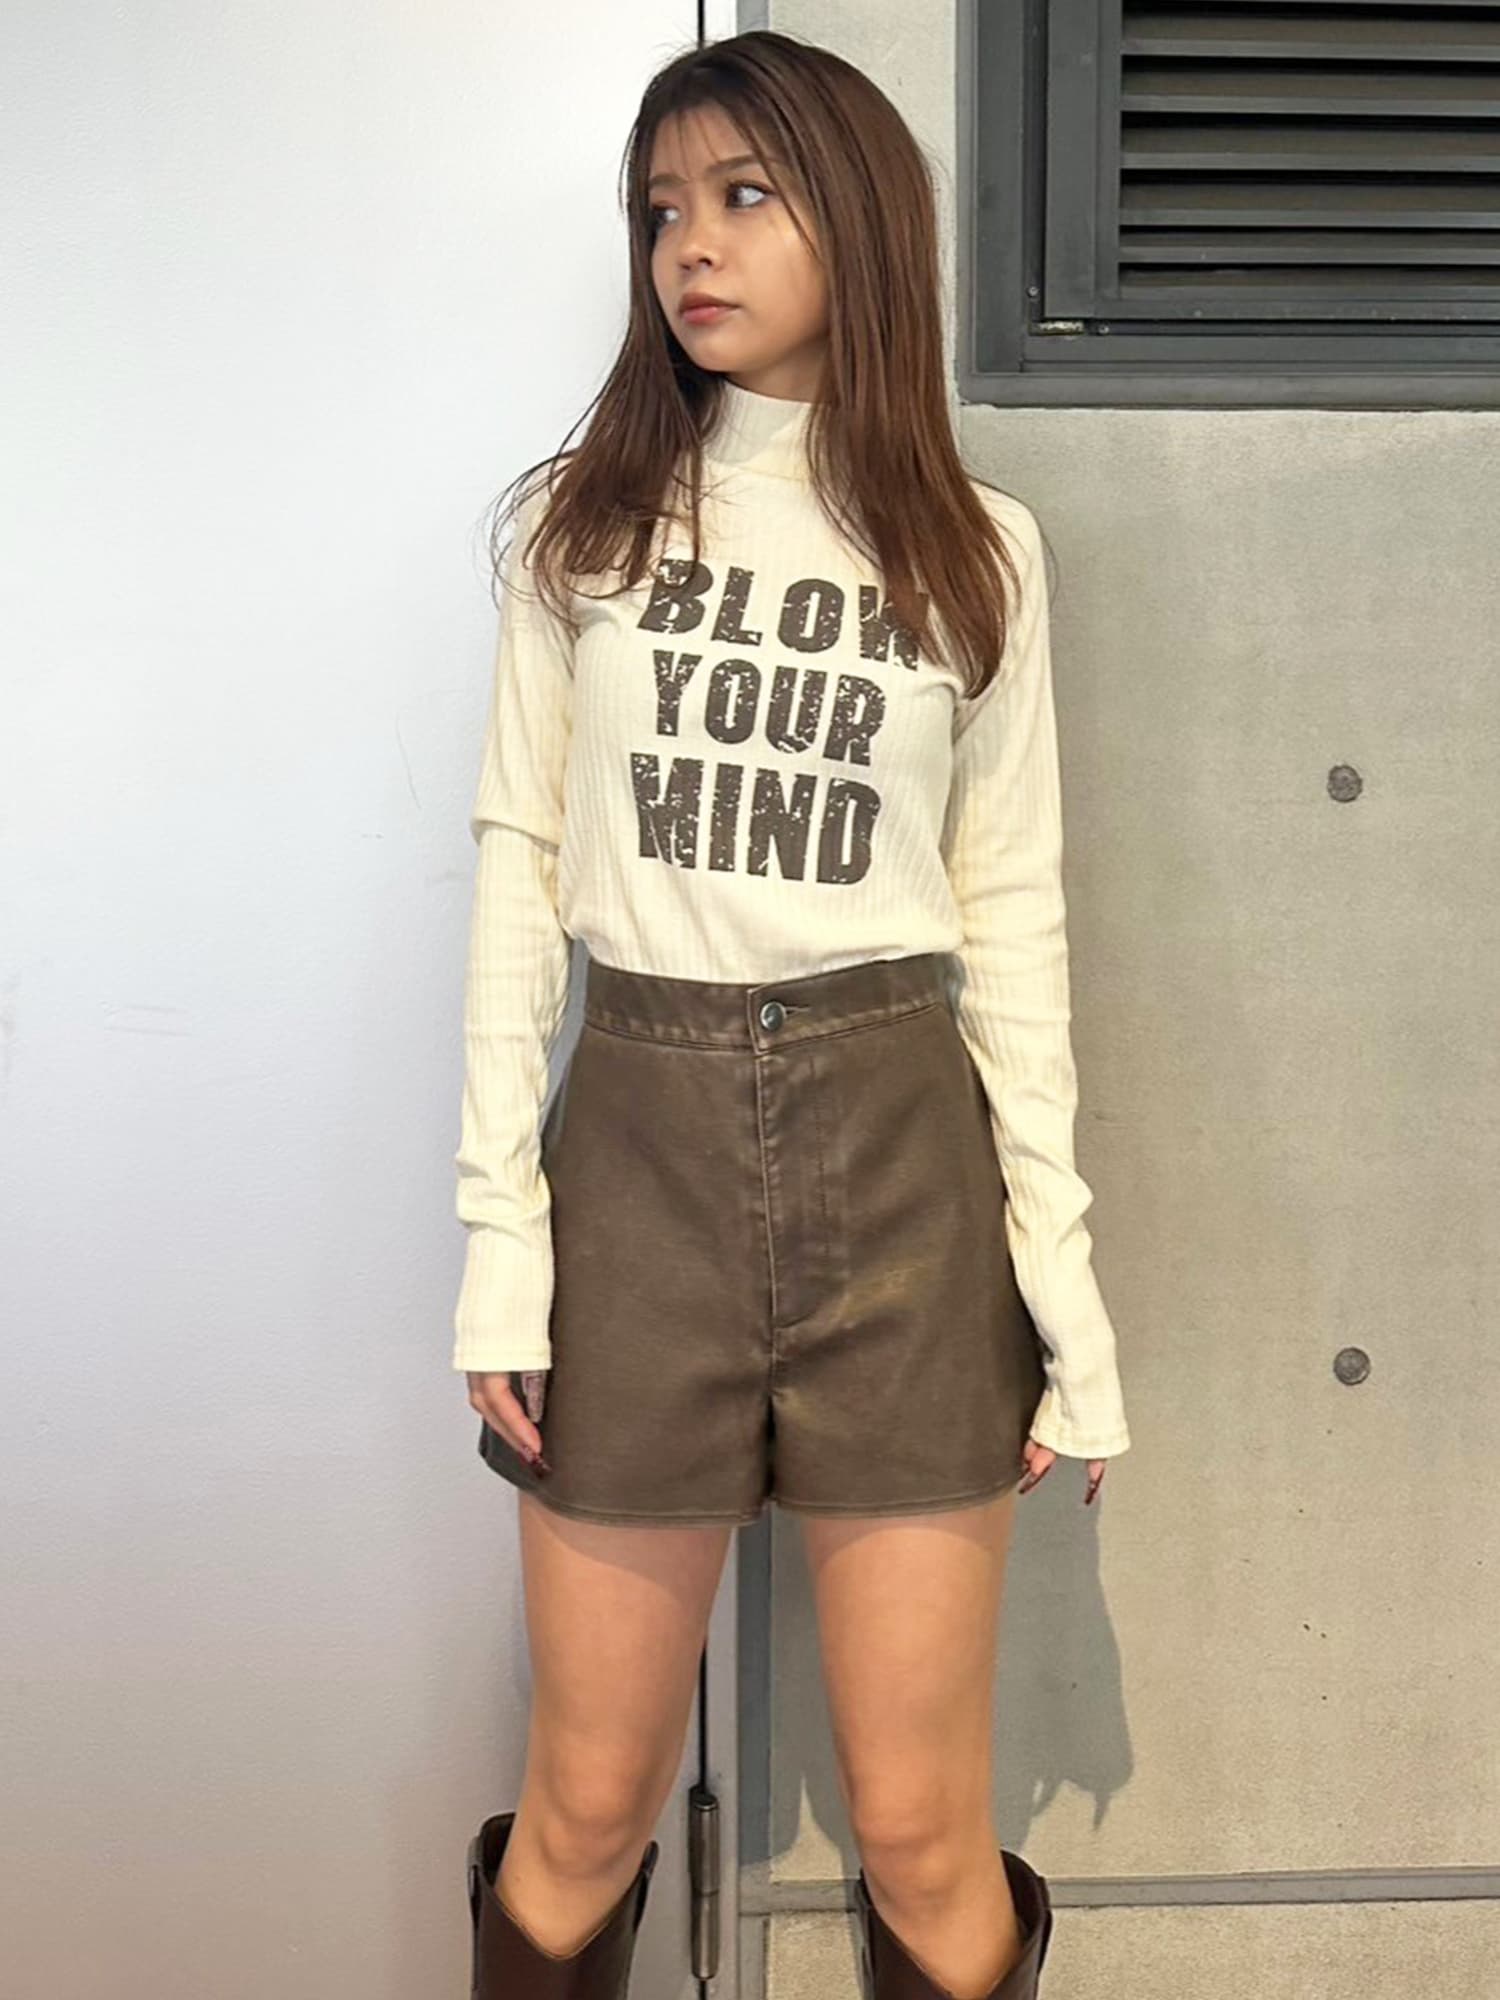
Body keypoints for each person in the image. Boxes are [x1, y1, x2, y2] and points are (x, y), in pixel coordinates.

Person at [454, 28, 1131, 2000]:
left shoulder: (980, 552)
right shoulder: (578, 530)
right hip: (637, 1163)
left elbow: (1015, 924)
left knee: (922, 1832)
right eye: (663, 207)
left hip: (902, 1166)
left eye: (745, 195)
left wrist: (1065, 1292)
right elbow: (517, 879)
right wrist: (503, 1243)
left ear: (862, 219)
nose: (692, 243)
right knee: (586, 1805)